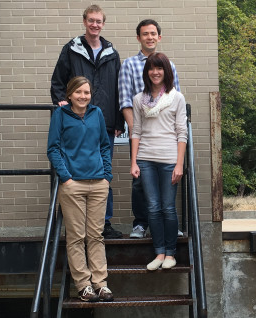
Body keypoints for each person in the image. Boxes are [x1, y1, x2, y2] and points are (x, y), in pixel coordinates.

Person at [51, 4, 124, 239]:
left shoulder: (111, 53)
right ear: (84, 21)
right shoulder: (71, 49)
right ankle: (77, 222)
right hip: (76, 120)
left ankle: (104, 223)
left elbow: (118, 89)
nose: (95, 25)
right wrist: (61, 101)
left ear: (103, 24)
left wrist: (119, 121)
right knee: (73, 172)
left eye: (99, 21)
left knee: (103, 173)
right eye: (91, 20)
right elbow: (58, 81)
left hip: (105, 124)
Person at [47, 76, 114, 302]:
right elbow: (53, 149)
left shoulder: (96, 114)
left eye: (86, 92)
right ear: (69, 94)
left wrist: (107, 175)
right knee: (77, 237)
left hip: (98, 184)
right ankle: (84, 286)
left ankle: (101, 284)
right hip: (73, 185)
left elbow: (105, 145)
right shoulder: (60, 115)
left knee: (96, 235)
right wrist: (66, 177)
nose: (83, 96)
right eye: (78, 92)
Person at [118, 19, 182, 238]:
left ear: (159, 37)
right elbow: (125, 101)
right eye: (145, 34)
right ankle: (140, 224)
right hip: (141, 134)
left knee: (170, 180)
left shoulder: (169, 65)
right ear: (138, 38)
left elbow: (176, 99)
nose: (149, 37)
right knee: (139, 183)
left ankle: (169, 225)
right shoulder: (128, 64)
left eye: (153, 33)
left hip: (166, 136)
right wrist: (137, 131)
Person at [130, 53, 187, 270]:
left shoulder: (176, 97)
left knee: (168, 208)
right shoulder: (138, 99)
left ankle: (171, 254)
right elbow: (136, 131)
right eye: (151, 68)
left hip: (169, 160)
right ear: (147, 72)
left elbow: (182, 132)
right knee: (153, 207)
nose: (155, 72)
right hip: (145, 159)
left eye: (159, 68)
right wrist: (134, 162)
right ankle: (159, 253)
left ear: (166, 71)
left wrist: (179, 164)